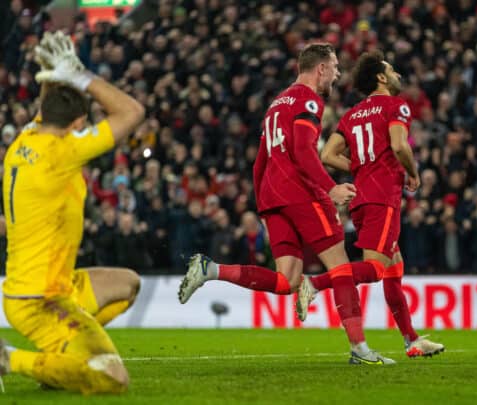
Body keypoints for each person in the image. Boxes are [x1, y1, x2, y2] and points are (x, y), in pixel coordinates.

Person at [178, 43, 395, 365]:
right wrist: (330, 188)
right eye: (334, 67)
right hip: (302, 194)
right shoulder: (309, 100)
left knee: (287, 281)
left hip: (272, 197)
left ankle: (211, 269)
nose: (337, 74)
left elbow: (259, 163)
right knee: (340, 268)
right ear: (320, 68)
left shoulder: (277, 104)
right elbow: (303, 151)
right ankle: (359, 349)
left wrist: (262, 206)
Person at [0, 31, 144, 393]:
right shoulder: (62, 152)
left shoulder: (26, 138)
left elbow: (50, 106)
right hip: (39, 300)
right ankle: (8, 359)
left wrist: (51, 74)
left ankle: (60, 359)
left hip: (51, 285)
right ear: (78, 125)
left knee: (127, 285)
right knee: (111, 378)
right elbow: (133, 112)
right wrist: (79, 75)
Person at [297, 50, 444, 357]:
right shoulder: (395, 105)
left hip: (363, 199)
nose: (398, 76)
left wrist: (363, 167)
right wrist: (412, 174)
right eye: (392, 70)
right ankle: (314, 284)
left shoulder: (352, 115)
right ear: (381, 77)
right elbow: (400, 145)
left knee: (393, 268)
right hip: (383, 198)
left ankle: (411, 340)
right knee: (376, 269)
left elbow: (327, 155)